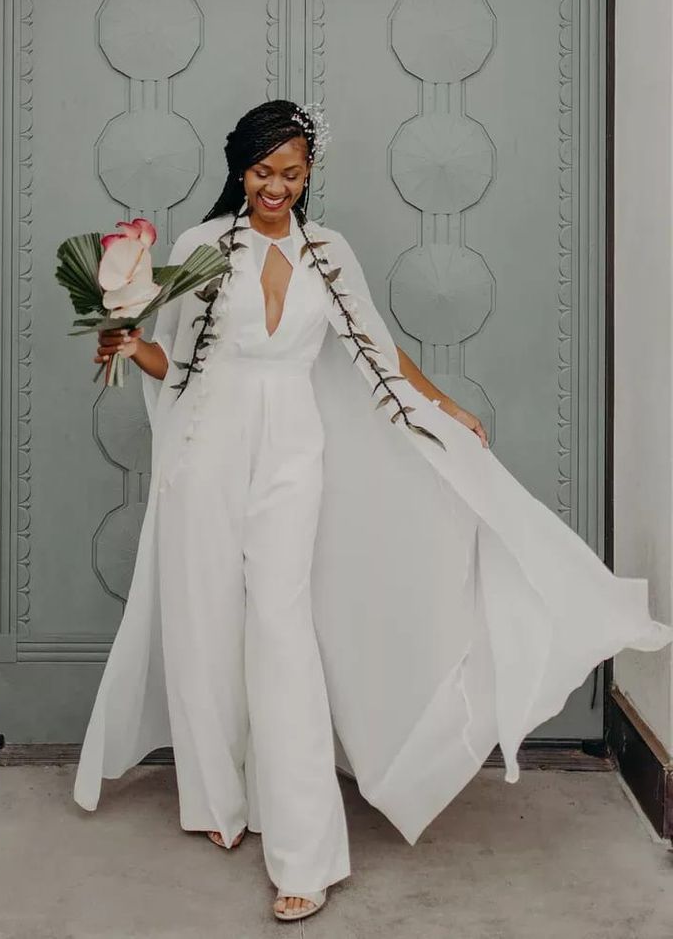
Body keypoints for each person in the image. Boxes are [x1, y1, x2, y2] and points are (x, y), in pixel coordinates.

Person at [73, 100, 673, 923]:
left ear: (309, 171)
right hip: (205, 451)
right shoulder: (199, 249)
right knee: (205, 623)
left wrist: (442, 408)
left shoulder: (328, 252)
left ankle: (304, 853)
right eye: (261, 172)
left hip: (293, 451)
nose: (275, 187)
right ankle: (218, 801)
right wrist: (121, 337)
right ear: (238, 169)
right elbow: (171, 360)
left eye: (290, 172)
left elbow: (378, 351)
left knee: (282, 634)